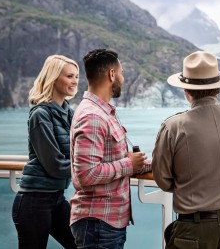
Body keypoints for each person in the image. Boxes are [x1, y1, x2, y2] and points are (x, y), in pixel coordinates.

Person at [152, 51, 220, 249]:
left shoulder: (173, 127)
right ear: (219, 88)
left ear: (186, 90)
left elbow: (163, 179)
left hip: (194, 230)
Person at [69, 48, 151, 249]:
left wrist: (153, 163)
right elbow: (86, 174)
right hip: (98, 224)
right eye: (121, 73)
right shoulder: (93, 116)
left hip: (104, 223)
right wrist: (129, 163)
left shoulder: (101, 113)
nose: (122, 79)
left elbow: (113, 161)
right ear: (112, 74)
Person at [12, 55, 79, 249]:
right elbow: (55, 166)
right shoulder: (40, 114)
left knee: (81, 244)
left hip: (56, 197)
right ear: (53, 78)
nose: (75, 81)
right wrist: (92, 169)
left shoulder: (69, 112)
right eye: (69, 76)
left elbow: (83, 150)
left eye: (76, 76)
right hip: (34, 201)